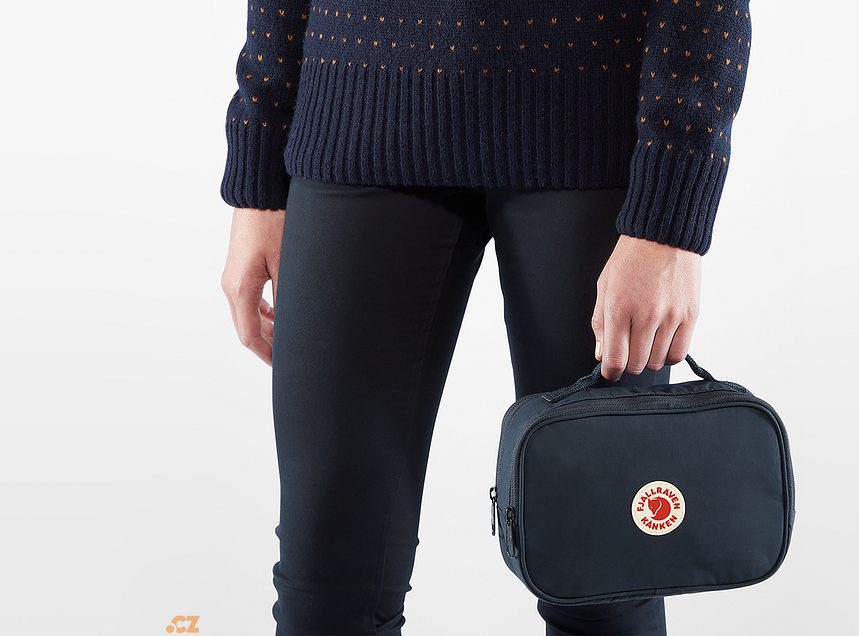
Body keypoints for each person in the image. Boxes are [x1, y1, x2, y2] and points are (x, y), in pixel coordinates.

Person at [218, 2, 752, 634]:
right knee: (324, 585)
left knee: (604, 580)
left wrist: (668, 218)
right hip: (356, 102)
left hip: (591, 121)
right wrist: (259, 167)